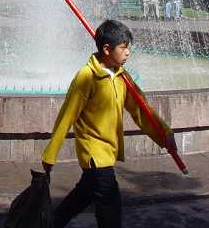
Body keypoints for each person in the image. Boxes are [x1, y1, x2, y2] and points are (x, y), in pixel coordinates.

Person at [41, 20, 175, 227]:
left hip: (108, 150)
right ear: (106, 49)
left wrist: (164, 135)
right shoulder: (87, 77)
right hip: (94, 153)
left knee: (83, 195)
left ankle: (52, 224)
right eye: (123, 47)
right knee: (110, 204)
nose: (128, 52)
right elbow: (66, 115)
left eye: (128, 47)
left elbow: (141, 110)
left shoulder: (123, 77)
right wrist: (50, 154)